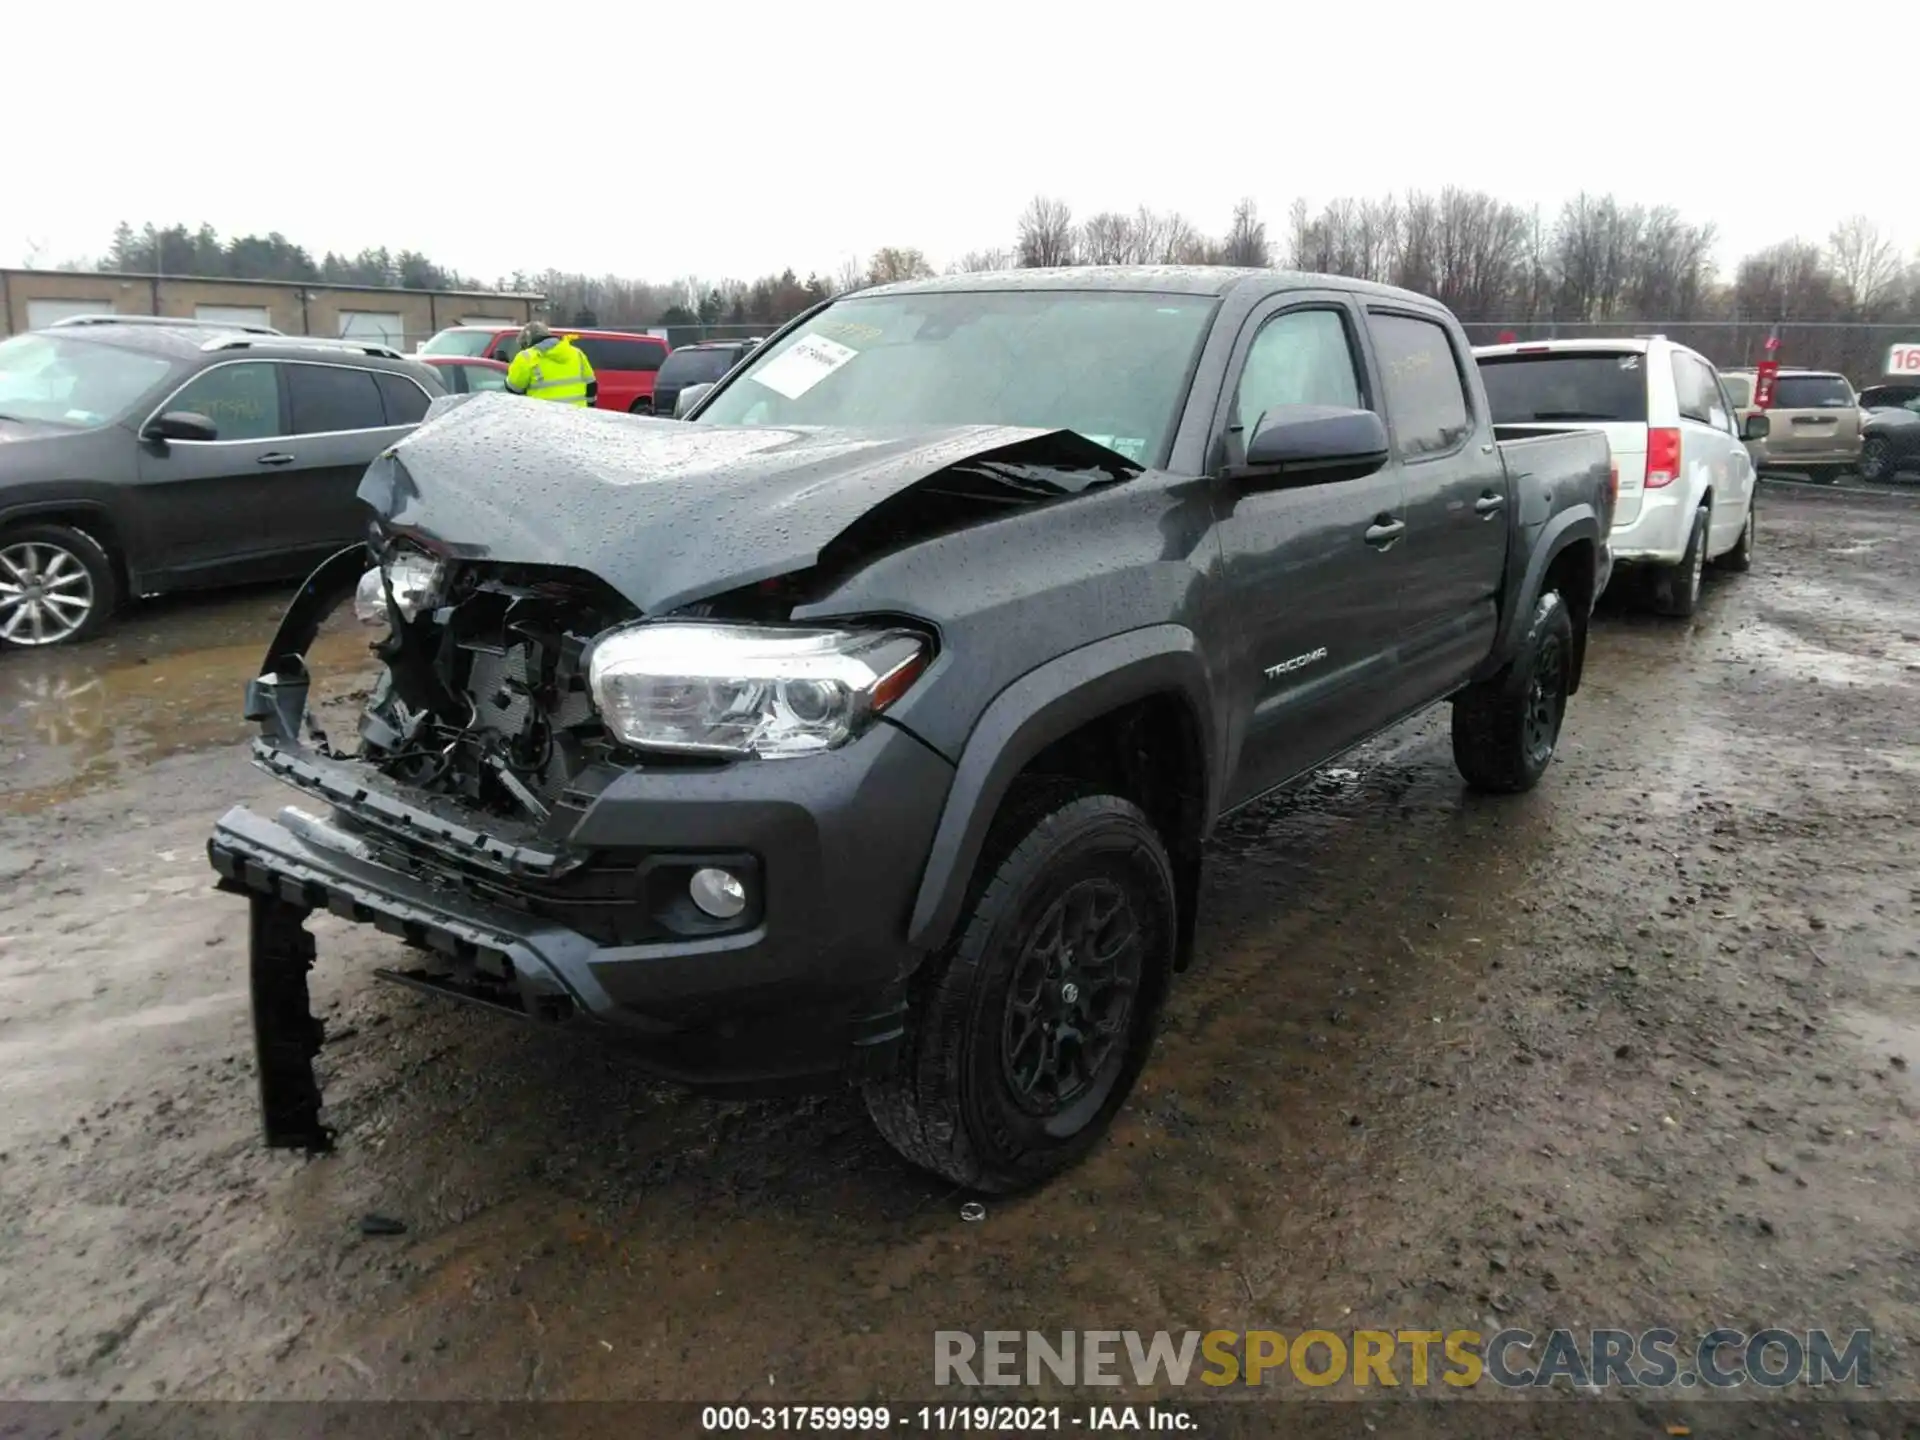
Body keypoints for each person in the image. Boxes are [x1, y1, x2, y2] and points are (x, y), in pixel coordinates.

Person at [503, 321, 597, 407]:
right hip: (576, 417)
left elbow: (513, 388)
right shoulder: (576, 353)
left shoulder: (525, 357)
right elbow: (591, 385)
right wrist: (589, 408)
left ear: (527, 342)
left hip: (545, 418)